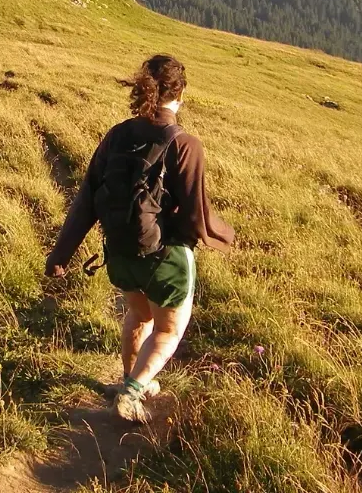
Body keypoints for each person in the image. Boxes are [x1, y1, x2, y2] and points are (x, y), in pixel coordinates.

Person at [45, 54, 235, 423]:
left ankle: (130, 379)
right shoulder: (185, 144)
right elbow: (198, 215)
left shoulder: (116, 135)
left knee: (137, 314)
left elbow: (86, 198)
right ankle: (131, 395)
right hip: (164, 257)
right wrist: (225, 235)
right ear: (179, 93)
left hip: (118, 252)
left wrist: (61, 253)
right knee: (168, 329)